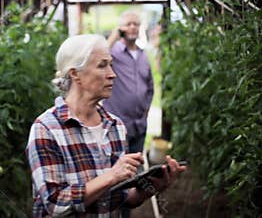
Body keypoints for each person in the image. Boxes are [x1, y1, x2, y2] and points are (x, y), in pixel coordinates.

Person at [25, 34, 185, 217]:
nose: (112, 74)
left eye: (111, 65)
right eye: (102, 66)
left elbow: (122, 198)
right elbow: (55, 205)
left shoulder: (115, 126)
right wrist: (111, 175)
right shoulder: (46, 129)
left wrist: (151, 188)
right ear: (75, 74)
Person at [103, 11, 154, 154]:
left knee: (135, 169)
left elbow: (150, 86)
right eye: (128, 24)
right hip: (117, 125)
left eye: (136, 24)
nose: (133, 27)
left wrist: (146, 110)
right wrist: (114, 37)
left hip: (139, 125)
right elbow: (97, 58)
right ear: (120, 28)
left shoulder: (143, 55)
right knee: (117, 169)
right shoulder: (112, 53)